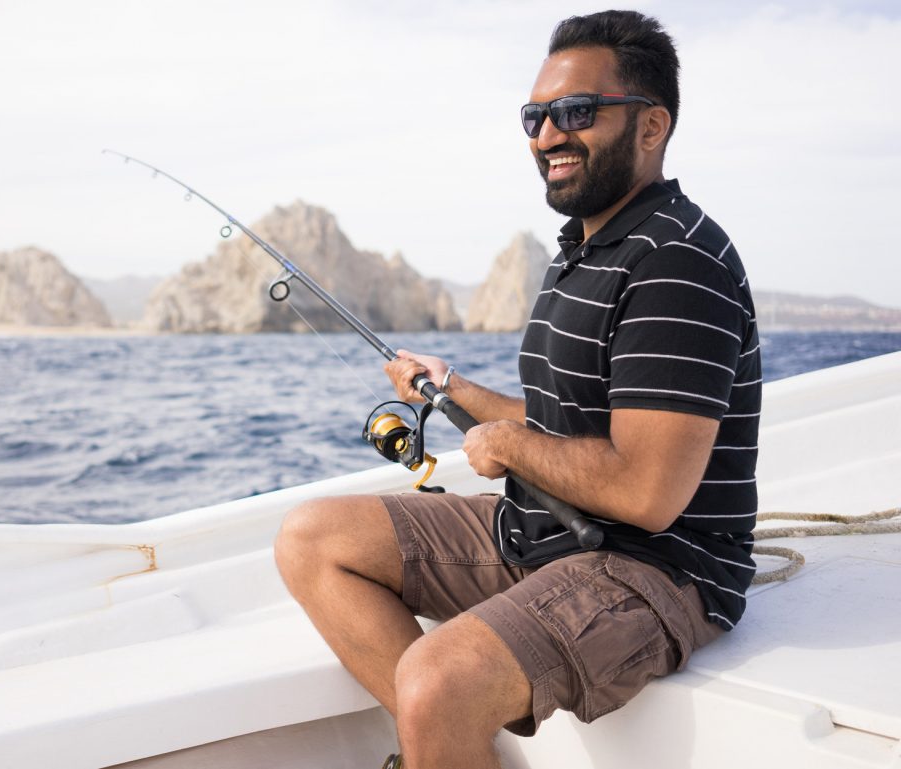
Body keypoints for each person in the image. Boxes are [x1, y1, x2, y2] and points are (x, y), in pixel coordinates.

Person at [274, 9, 762, 769]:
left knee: (434, 680)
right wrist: (456, 388)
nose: (546, 135)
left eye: (576, 112)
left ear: (651, 126)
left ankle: (441, 732)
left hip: (657, 568)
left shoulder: (676, 262)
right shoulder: (588, 248)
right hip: (547, 529)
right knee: (312, 540)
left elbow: (645, 492)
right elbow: (570, 419)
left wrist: (506, 443)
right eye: (534, 116)